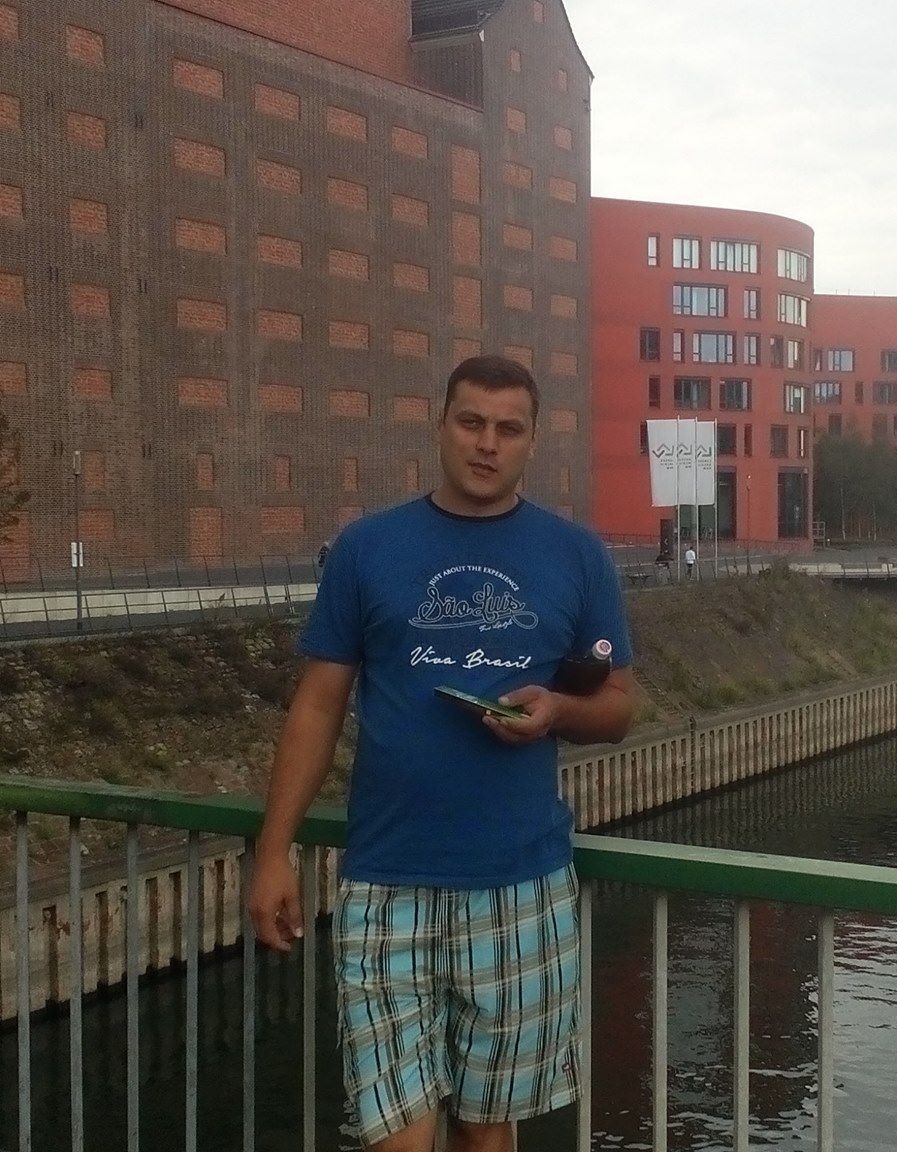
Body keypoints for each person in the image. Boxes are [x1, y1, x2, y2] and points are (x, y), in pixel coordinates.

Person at [249, 355, 637, 1152]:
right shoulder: (367, 548)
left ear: (532, 442)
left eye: (508, 428)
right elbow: (318, 705)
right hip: (385, 880)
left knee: (486, 1133)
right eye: (471, 422)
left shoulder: (577, 555)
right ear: (441, 427)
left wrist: (558, 710)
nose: (487, 443)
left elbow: (620, 707)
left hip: (520, 882)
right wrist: (273, 850)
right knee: (396, 1137)